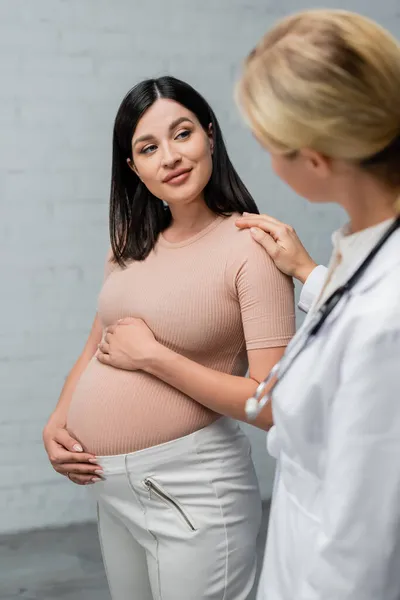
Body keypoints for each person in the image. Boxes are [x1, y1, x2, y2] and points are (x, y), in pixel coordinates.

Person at [42, 76, 296, 600]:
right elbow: (96, 347)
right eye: (148, 148)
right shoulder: (128, 246)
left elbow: (270, 404)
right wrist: (58, 422)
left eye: (182, 134)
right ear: (134, 167)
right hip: (113, 495)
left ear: (209, 134)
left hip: (193, 491)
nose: (171, 157)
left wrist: (154, 358)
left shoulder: (252, 248)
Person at [235, 9, 400, 600]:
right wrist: (309, 273)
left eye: (269, 147)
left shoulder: (387, 321)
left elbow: (361, 552)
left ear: (314, 160)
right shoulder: (371, 246)